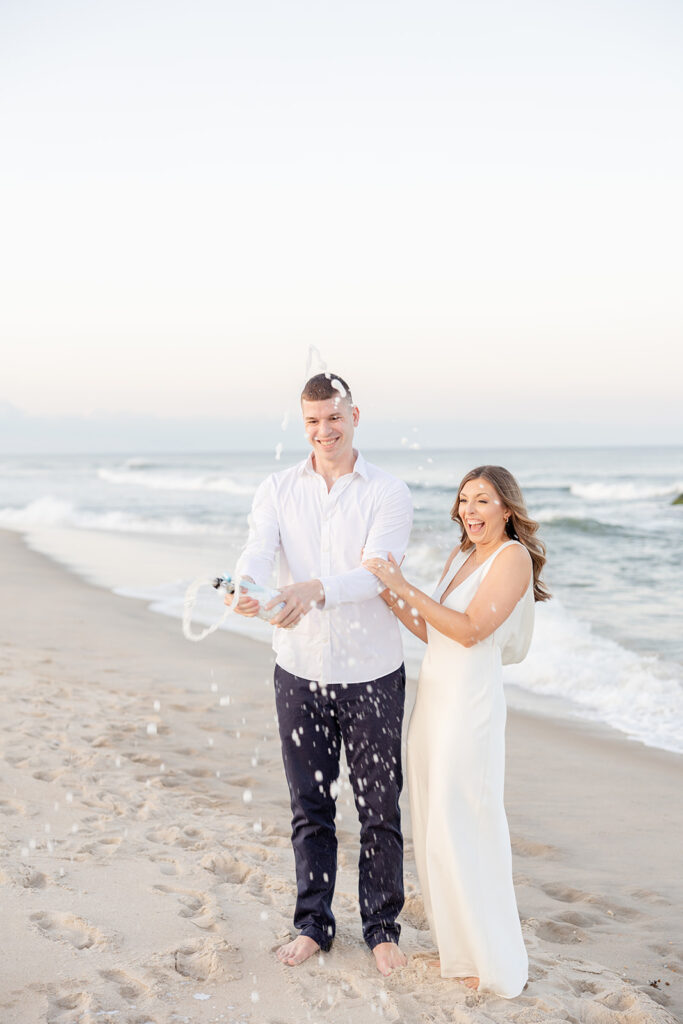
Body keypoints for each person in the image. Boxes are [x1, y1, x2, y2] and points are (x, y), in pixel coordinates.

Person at [227, 373, 413, 976]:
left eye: (334, 418)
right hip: (299, 670)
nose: (324, 431)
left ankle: (382, 928)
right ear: (302, 424)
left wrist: (316, 589)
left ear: (355, 414)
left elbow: (376, 574)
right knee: (310, 806)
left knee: (379, 806)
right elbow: (257, 550)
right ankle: (314, 923)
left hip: (373, 673)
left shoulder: (389, 491)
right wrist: (246, 589)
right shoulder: (277, 488)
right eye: (312, 421)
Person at [364, 465, 550, 998]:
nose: (470, 510)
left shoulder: (511, 557)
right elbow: (432, 628)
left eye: (483, 500)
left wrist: (404, 584)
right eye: (464, 499)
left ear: (506, 510)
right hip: (436, 697)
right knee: (435, 821)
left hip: (470, 704)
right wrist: (387, 595)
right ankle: (458, 949)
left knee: (465, 820)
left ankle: (487, 958)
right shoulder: (462, 554)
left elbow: (470, 631)